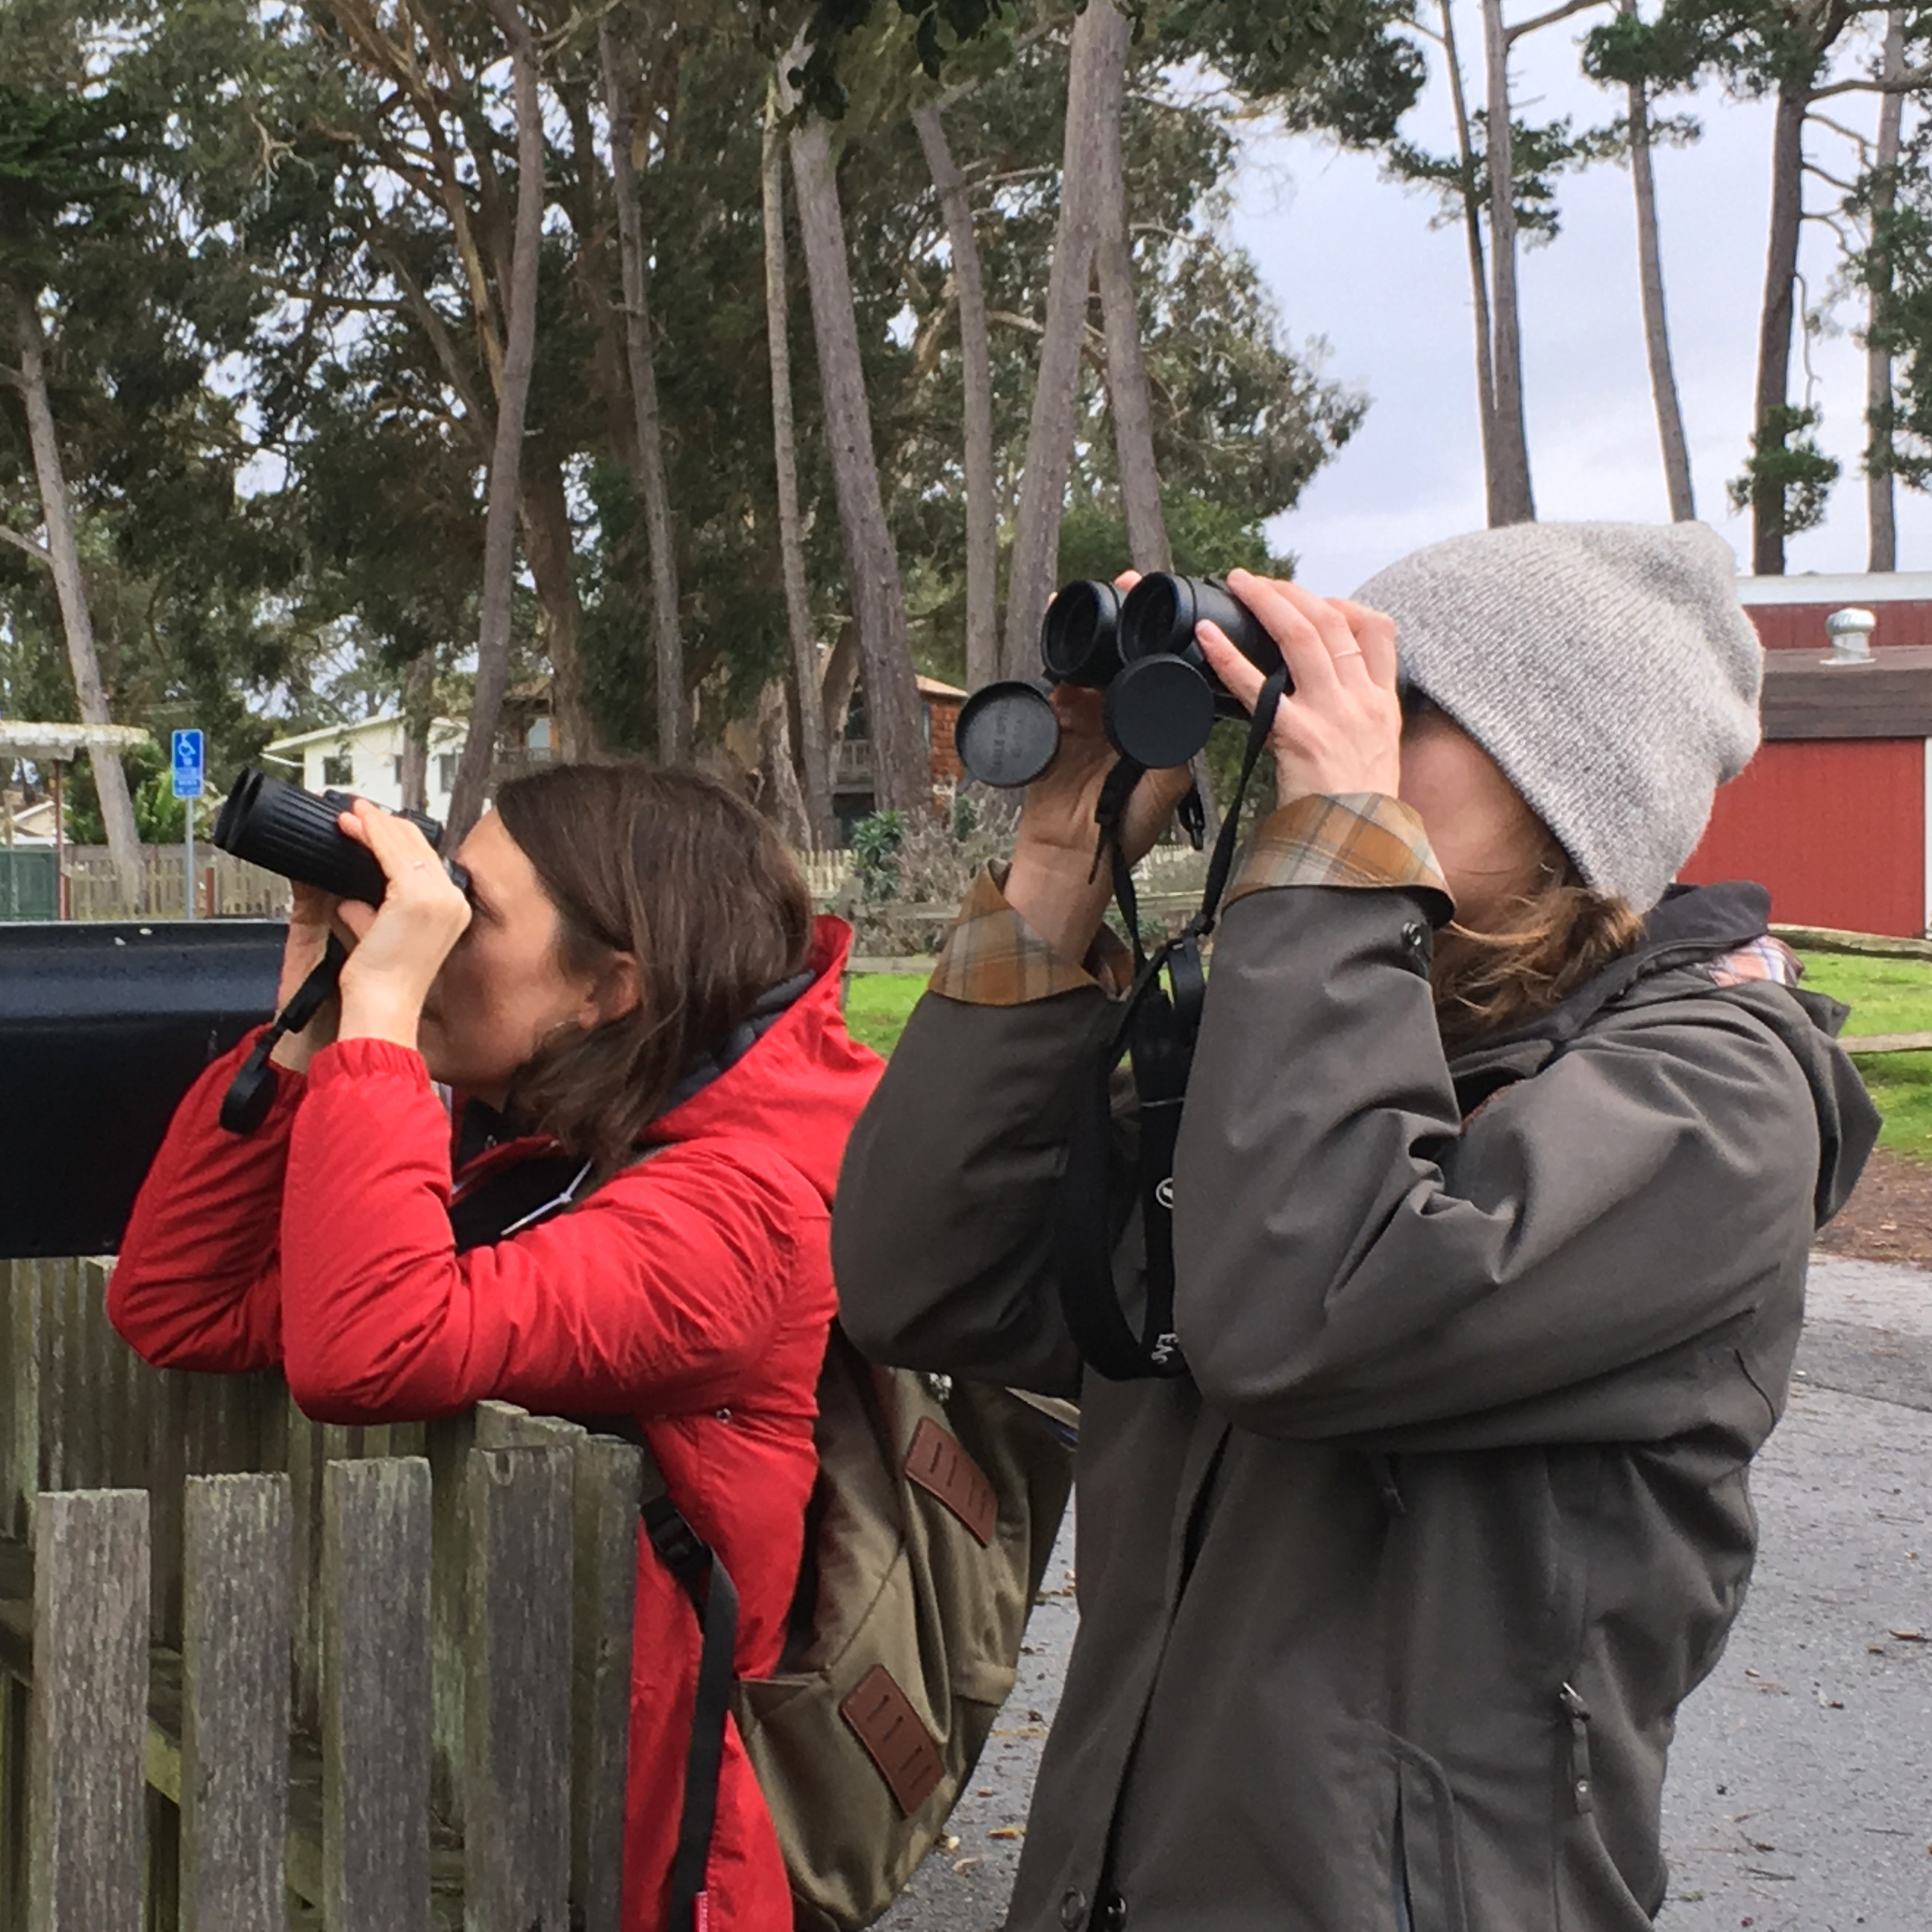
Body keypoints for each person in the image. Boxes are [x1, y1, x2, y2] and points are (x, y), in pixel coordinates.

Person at [832, 524, 1879, 1931]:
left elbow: (1309, 1318)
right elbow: (929, 1277)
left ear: (1562, 783)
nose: (1333, 744)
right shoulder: (1310, 1037)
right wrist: (1055, 873)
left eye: (1403, 710)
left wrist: (1330, 865)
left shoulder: (1716, 1102)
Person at [110, 761, 882, 1932]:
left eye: (473, 909)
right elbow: (180, 1304)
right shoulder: (539, 1154)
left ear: (608, 989)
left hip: (626, 1866)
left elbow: (371, 1347)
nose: (438, 929)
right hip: (478, 1799)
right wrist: (316, 1026)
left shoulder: (741, 1218)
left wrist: (382, 1025)